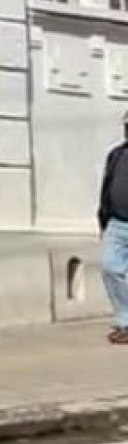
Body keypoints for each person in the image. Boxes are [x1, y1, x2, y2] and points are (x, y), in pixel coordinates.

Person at [98, 119, 128, 344]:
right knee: (109, 266)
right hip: (117, 223)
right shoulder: (117, 154)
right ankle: (125, 322)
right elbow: (107, 186)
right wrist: (103, 219)